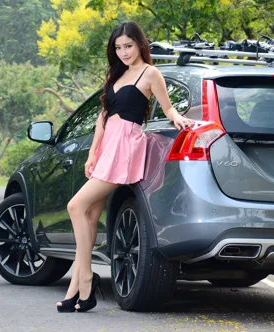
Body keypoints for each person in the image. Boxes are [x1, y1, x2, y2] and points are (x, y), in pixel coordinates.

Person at [56, 21, 194, 313]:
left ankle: (86, 279)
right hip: (107, 147)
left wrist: (178, 119)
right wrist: (93, 152)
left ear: (140, 44)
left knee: (75, 207)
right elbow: (103, 117)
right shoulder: (116, 75)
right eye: (118, 48)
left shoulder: (150, 73)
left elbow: (168, 108)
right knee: (91, 213)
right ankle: (76, 291)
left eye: (128, 46)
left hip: (126, 147)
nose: (123, 52)